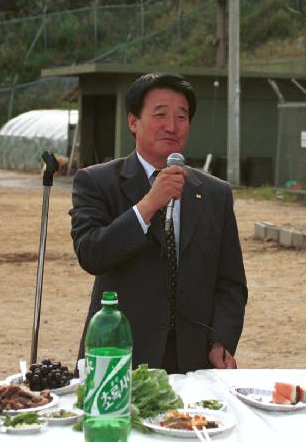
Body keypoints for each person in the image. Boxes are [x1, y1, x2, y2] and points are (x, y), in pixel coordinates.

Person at [70, 73, 248, 374]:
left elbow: (231, 282)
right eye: (160, 114)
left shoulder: (215, 193)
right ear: (133, 121)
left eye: (182, 116)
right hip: (120, 353)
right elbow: (91, 253)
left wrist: (222, 340)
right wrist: (147, 205)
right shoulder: (97, 181)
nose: (172, 126)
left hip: (194, 359)